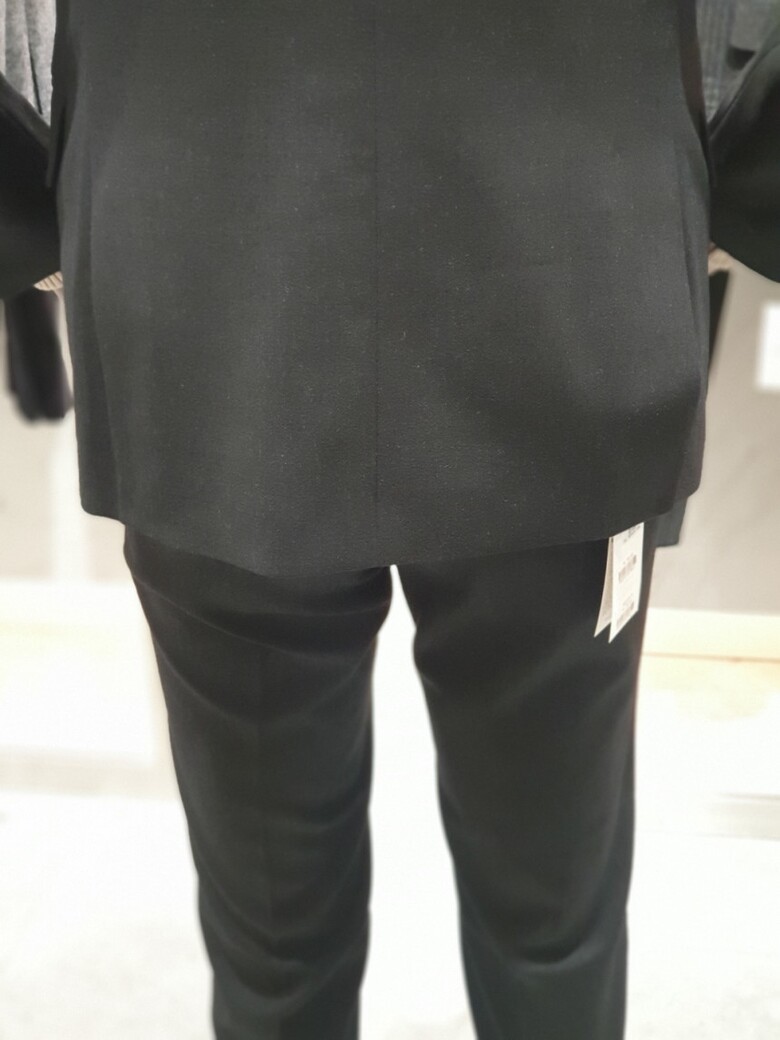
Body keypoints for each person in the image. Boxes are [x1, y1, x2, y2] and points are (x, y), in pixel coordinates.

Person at [46, 3, 711, 1037]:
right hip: (574, 247)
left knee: (275, 945)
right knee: (551, 928)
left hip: (199, 268)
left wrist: (37, 200)